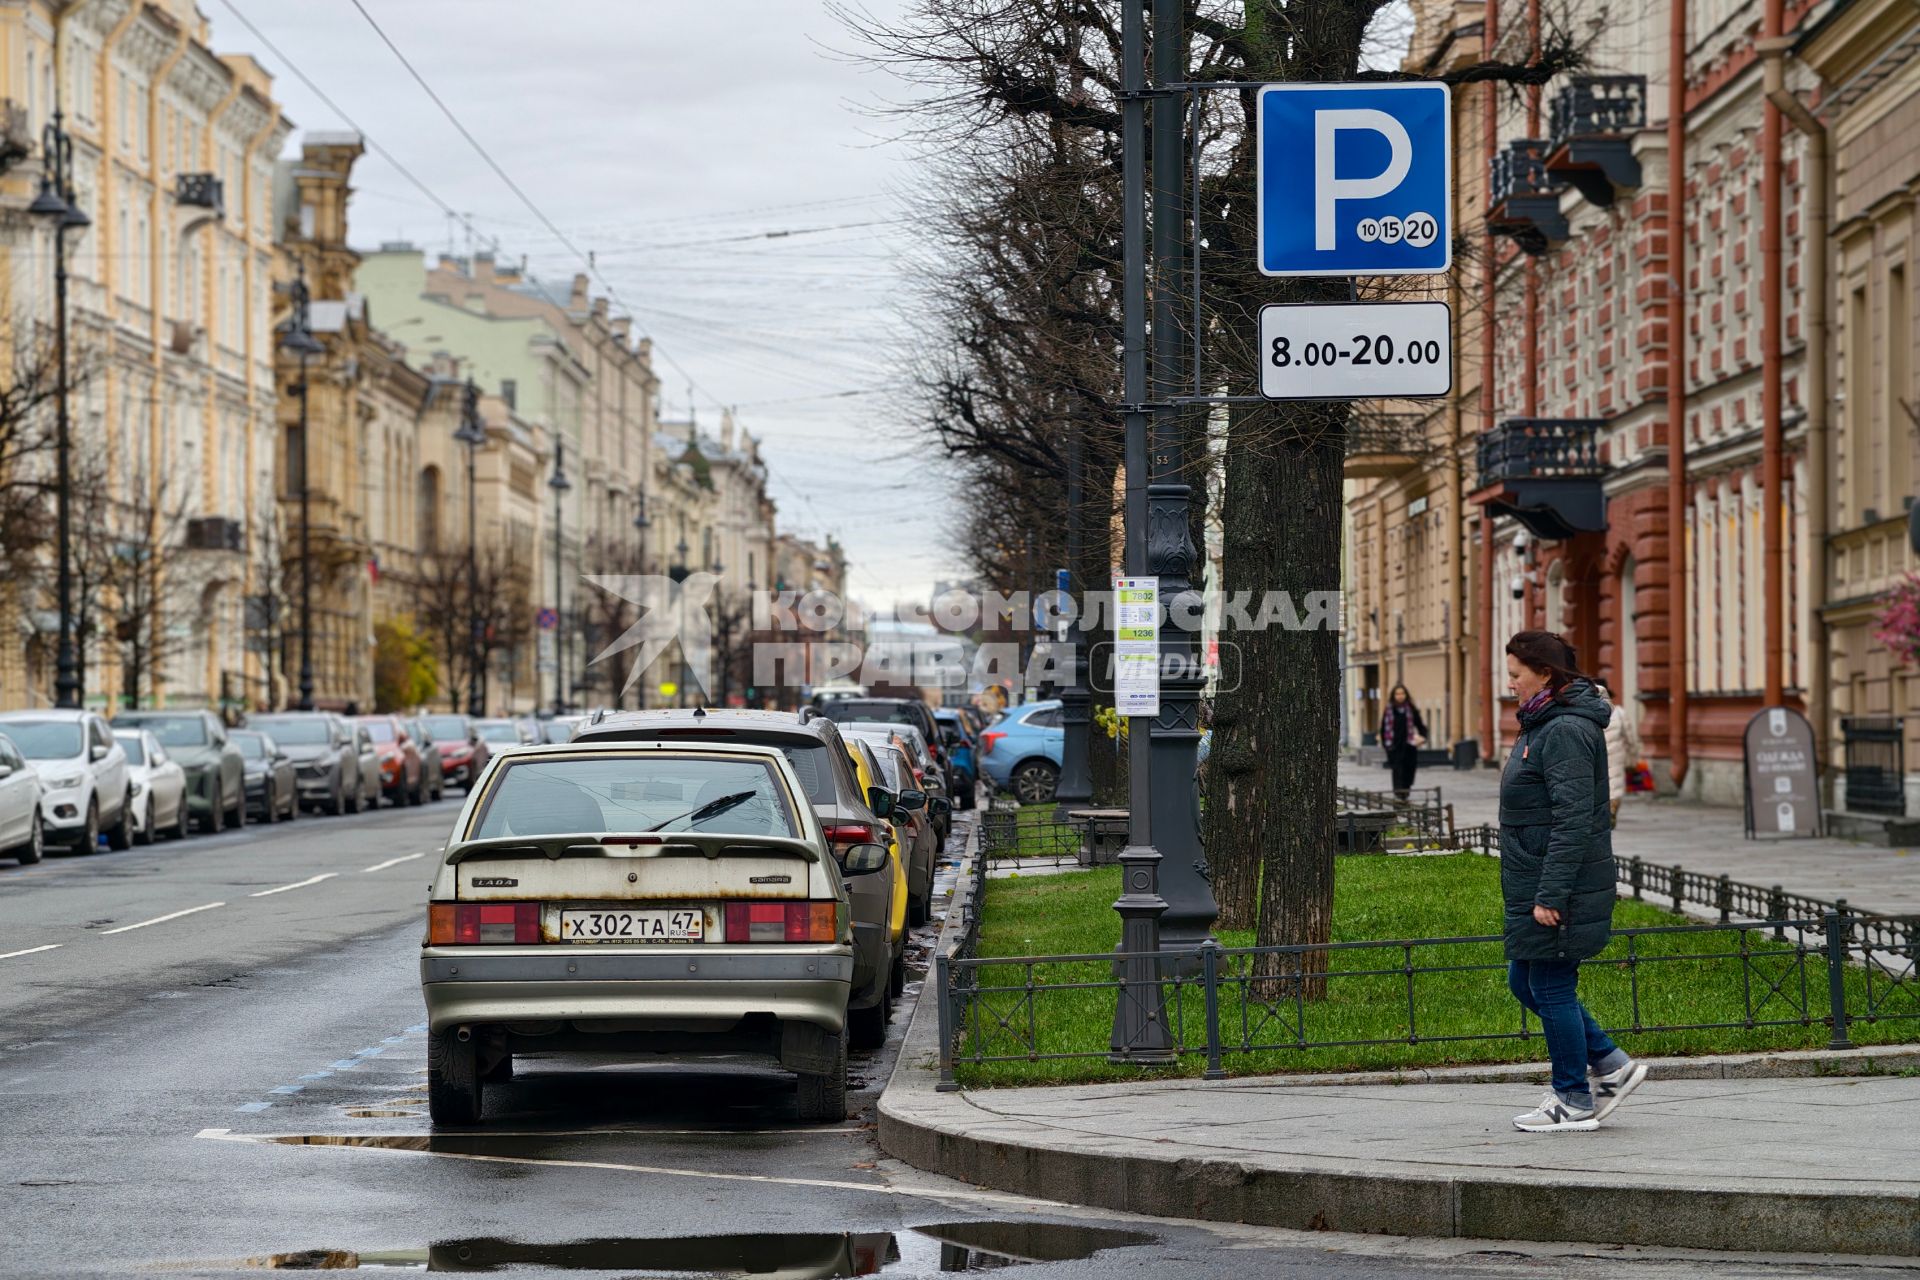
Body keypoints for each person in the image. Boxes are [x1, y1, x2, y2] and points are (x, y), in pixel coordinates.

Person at [1500, 630, 1648, 1132]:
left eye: (1516, 674)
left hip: (1557, 883)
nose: (1511, 683)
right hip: (1538, 875)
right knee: (1525, 979)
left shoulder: (1563, 729)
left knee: (1551, 985)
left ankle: (1573, 1099)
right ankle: (1609, 1063)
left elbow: (1574, 820)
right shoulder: (1543, 721)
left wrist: (1550, 894)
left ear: (1544, 673)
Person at [1594, 682, 1640, 827]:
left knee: (1600, 783)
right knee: (1615, 785)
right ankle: (1612, 808)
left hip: (1597, 752)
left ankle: (1605, 811)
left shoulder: (1590, 711)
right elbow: (1630, 736)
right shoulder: (1619, 712)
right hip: (1616, 754)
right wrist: (1632, 756)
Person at [1378, 684, 1427, 802]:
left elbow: (1420, 725)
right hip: (1394, 746)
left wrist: (1423, 737)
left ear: (1406, 695)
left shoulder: (1411, 709)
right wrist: (1386, 746)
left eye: (1402, 693)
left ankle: (1406, 789)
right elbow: (1384, 729)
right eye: (1397, 694)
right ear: (1393, 696)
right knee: (1397, 770)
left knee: (1409, 769)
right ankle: (1399, 792)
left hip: (1409, 746)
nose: (1400, 696)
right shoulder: (1389, 709)